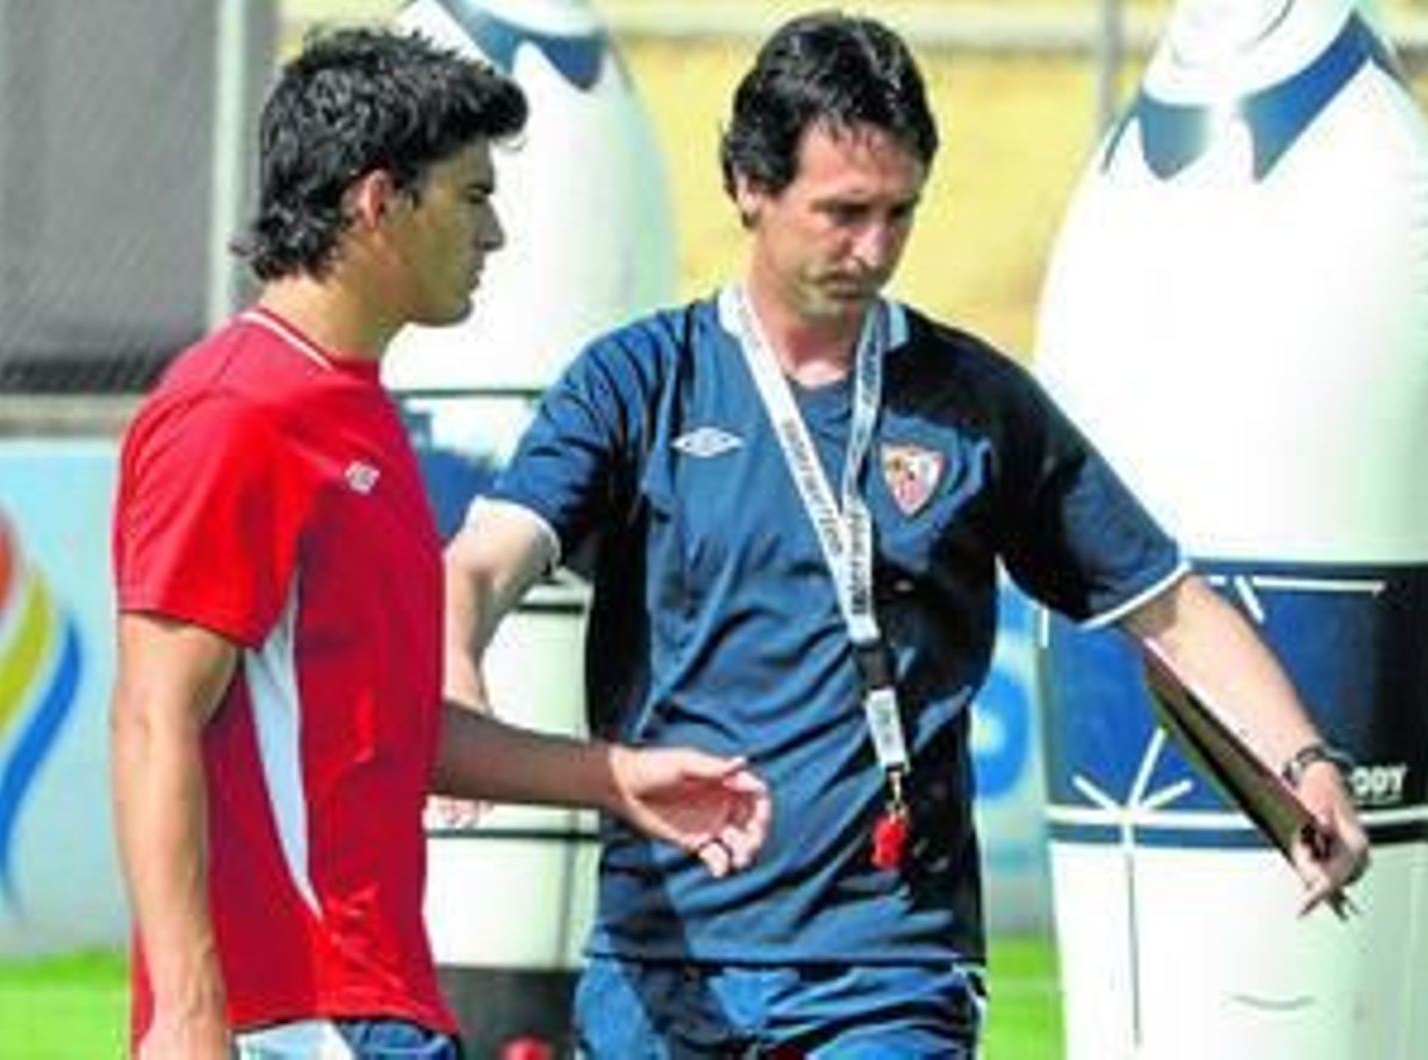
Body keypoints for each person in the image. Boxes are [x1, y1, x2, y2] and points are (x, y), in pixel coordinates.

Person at [443, 10, 1370, 1056]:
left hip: (889, 965)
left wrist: (1305, 760)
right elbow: (481, 560)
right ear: (750, 187)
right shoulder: (638, 381)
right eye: (842, 212)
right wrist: (459, 666)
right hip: (664, 954)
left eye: (900, 213)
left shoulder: (975, 401)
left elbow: (1167, 604)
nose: (872, 249)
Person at [110, 27, 769, 1060]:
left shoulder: (356, 410)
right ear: (379, 203)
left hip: (372, 1002)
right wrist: (191, 1011)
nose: (495, 233)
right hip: (290, 1016)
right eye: (470, 196)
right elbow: (155, 717)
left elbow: (386, 728)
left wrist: (613, 777)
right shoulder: (236, 410)